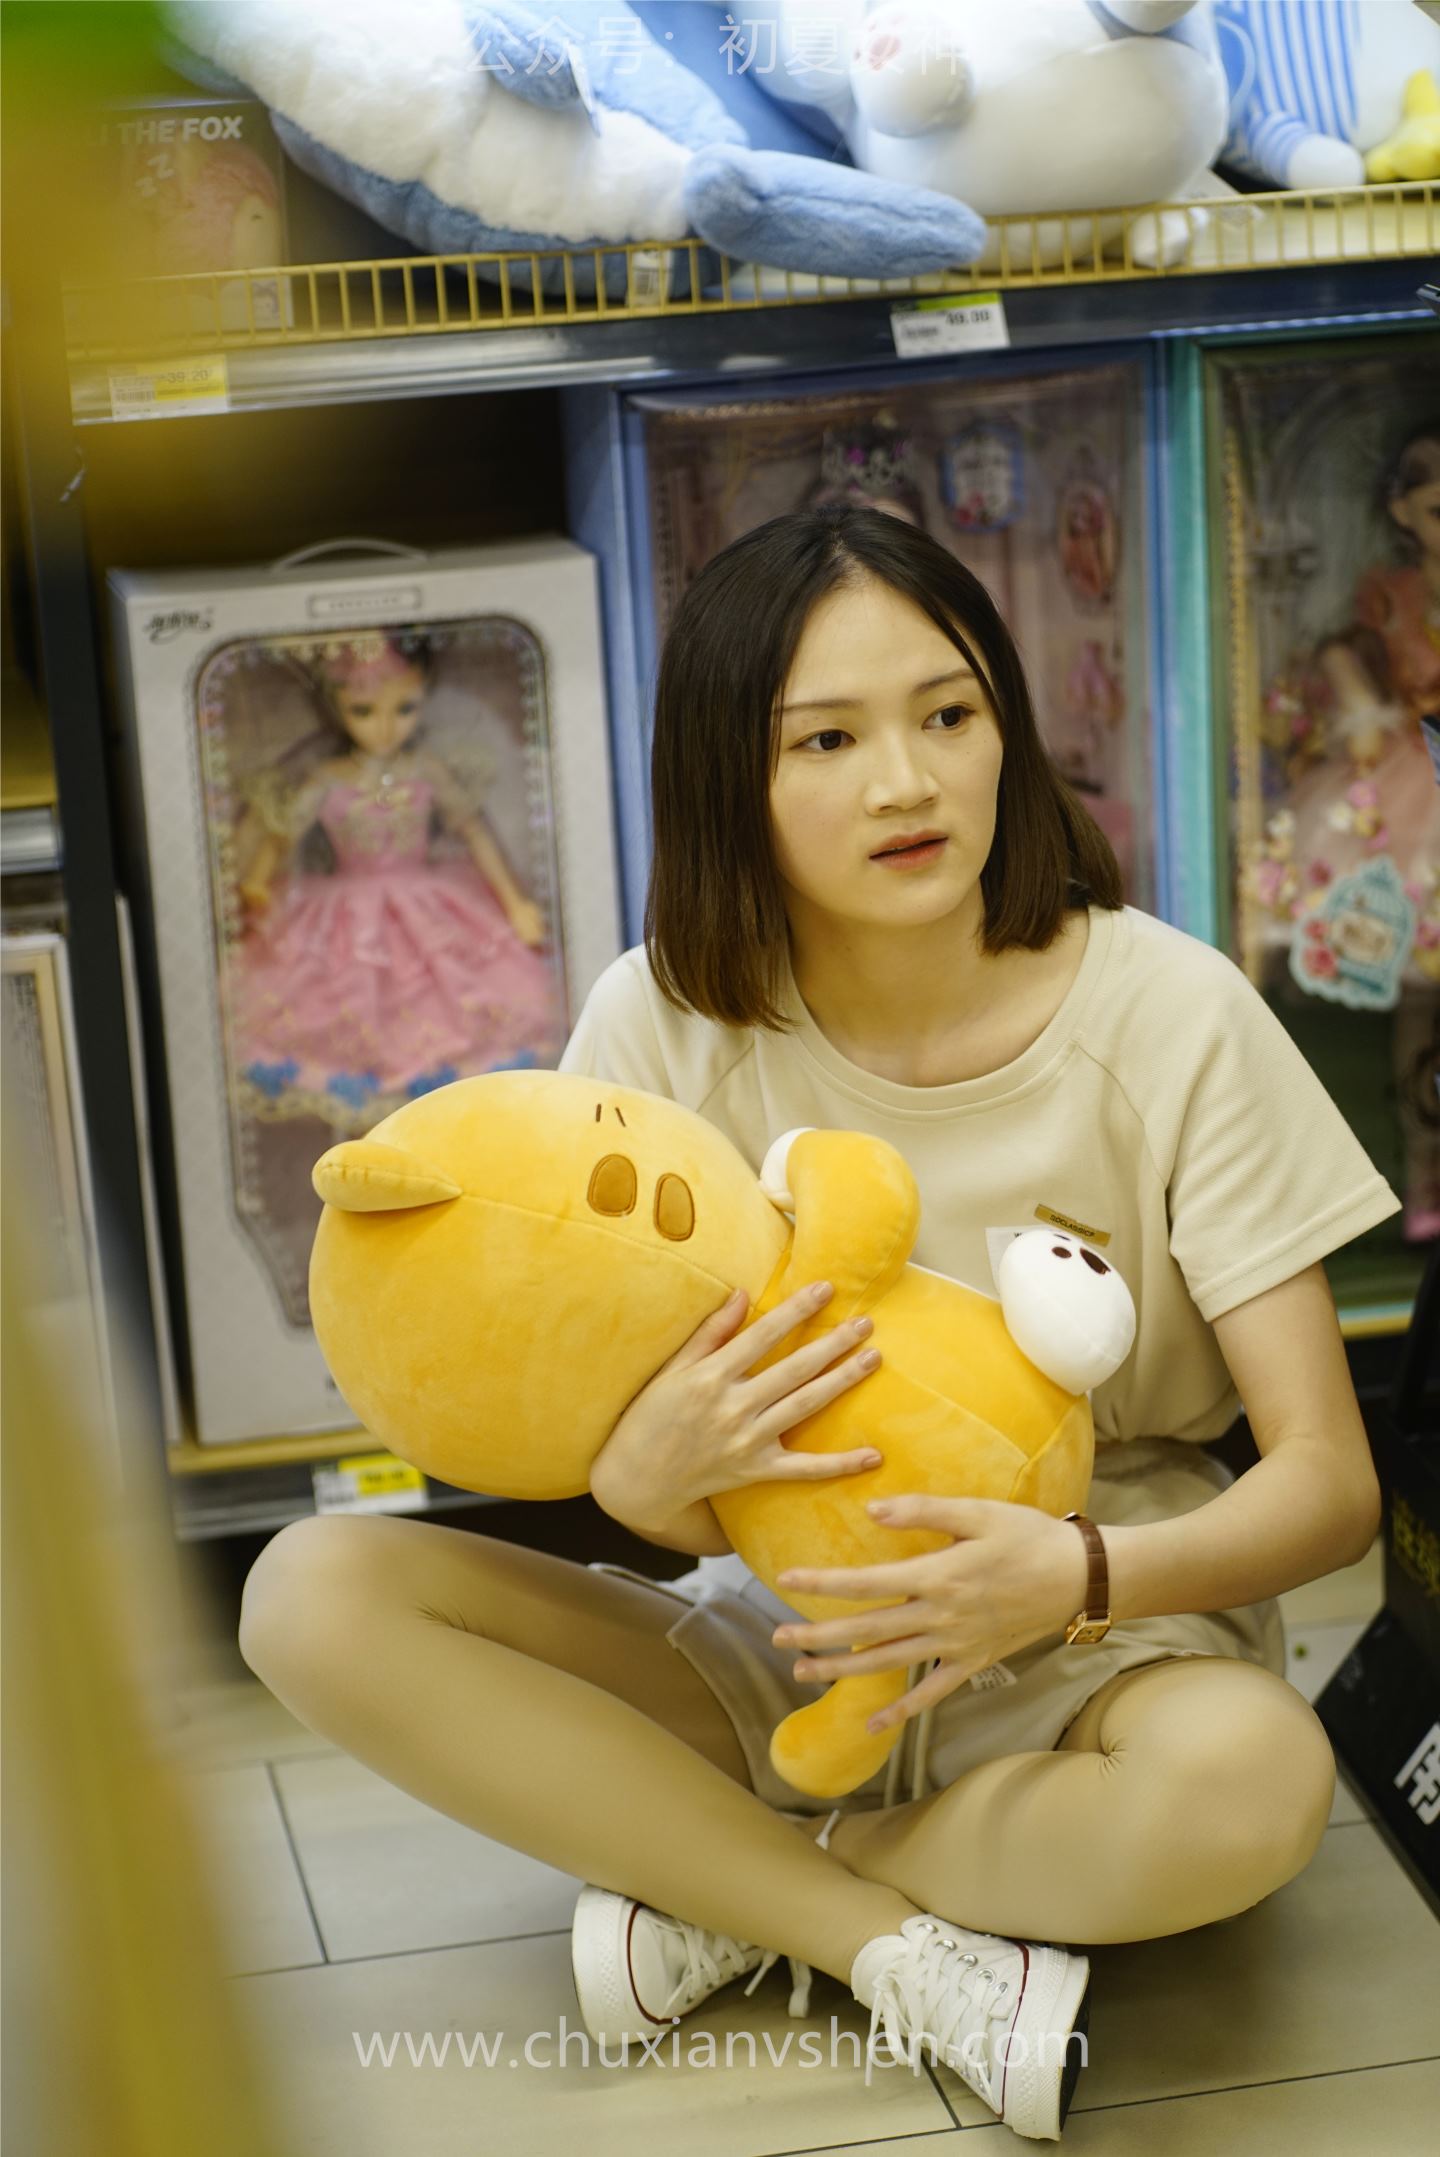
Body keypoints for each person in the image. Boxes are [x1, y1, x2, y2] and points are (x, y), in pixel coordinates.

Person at [237, 508, 1395, 2142]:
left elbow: (1327, 1484)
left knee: (1257, 1783)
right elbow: (659, 1497)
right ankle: (880, 1940)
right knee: (311, 1591)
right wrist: (641, 1481)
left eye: (949, 713)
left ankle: (740, 1885)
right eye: (827, 740)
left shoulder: (1170, 1010)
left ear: (1007, 727)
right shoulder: (660, 1021)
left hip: (1099, 1645)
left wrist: (1070, 1576)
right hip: (779, 1638)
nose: (907, 783)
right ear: (733, 777)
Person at [229, 630, 561, 1130]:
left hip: (430, 906)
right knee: (344, 1007)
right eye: (364, 711)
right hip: (344, 916)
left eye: (405, 709)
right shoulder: (327, 778)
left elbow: (474, 831)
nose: (385, 728)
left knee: (451, 1002)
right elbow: (280, 837)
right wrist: (255, 886)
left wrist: (515, 903)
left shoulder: (427, 770)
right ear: (335, 707)